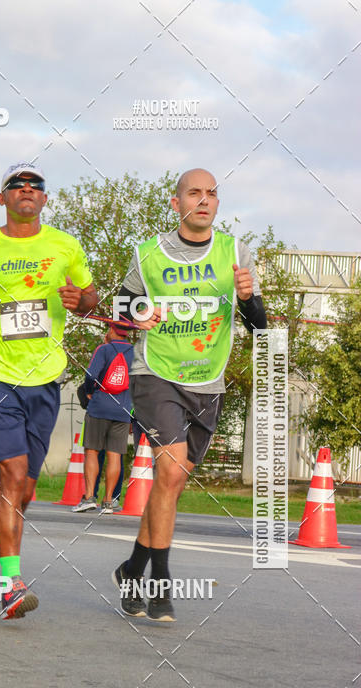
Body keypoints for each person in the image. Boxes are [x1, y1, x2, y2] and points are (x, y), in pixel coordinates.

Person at [112, 168, 266, 621]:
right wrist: (137, 316)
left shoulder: (234, 252)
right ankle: (160, 584)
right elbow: (121, 311)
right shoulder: (148, 254)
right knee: (172, 469)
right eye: (194, 193)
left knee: (170, 483)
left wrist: (249, 298)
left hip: (208, 381)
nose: (204, 199)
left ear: (218, 204)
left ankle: (131, 569)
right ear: (176, 203)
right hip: (156, 374)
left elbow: (259, 324)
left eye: (212, 193)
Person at [0, 163, 99, 619]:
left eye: (36, 186)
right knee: (10, 475)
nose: (27, 190)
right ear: (3, 198)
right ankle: (10, 583)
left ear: (45, 200)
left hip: (45, 379)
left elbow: (90, 300)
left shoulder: (65, 246)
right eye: (17, 185)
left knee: (25, 490)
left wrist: (81, 302)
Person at [73, 324, 133, 513]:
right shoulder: (137, 353)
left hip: (99, 407)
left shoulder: (104, 349)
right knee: (115, 455)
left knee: (92, 451)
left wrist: (90, 393)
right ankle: (108, 502)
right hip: (123, 409)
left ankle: (89, 497)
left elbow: (90, 375)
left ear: (111, 331)